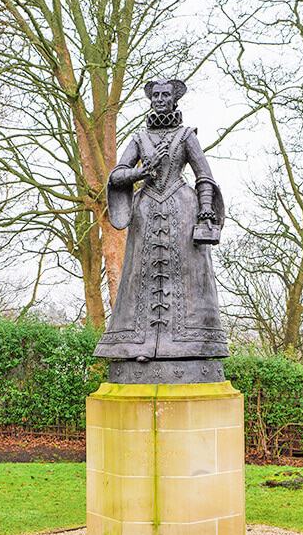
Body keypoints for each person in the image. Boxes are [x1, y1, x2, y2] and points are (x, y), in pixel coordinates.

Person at [94, 79, 229, 366]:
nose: (159, 99)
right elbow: (118, 174)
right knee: (139, 276)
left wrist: (205, 210)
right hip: (146, 212)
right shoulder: (139, 138)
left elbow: (204, 175)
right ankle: (137, 345)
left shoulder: (186, 135)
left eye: (165, 95)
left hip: (183, 208)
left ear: (174, 99)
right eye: (155, 95)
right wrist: (138, 175)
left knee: (189, 278)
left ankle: (195, 343)